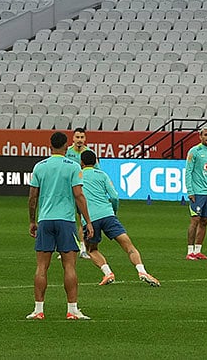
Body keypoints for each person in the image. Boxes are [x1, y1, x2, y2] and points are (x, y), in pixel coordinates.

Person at [27, 131, 95, 320]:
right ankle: (72, 310)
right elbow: (79, 195)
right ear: (66, 146)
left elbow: (33, 196)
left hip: (45, 220)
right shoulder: (72, 166)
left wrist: (32, 220)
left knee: (41, 267)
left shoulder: (40, 166)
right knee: (69, 266)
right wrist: (88, 221)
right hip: (65, 221)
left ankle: (38, 310)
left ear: (50, 146)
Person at [79, 151, 160, 287]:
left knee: (92, 249)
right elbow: (114, 196)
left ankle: (108, 272)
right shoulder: (102, 175)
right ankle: (142, 271)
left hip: (90, 219)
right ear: (96, 162)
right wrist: (113, 211)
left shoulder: (77, 177)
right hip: (108, 215)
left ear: (81, 162)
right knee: (129, 246)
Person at [185, 126, 207, 260]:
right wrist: (190, 191)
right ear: (200, 136)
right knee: (195, 220)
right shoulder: (194, 151)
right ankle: (189, 251)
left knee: (204, 221)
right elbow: (188, 172)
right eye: (205, 135)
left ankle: (198, 250)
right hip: (197, 193)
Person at [63, 127, 93, 259]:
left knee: (82, 220)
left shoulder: (89, 153)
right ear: (73, 138)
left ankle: (83, 248)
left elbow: (94, 171)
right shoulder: (67, 152)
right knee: (66, 219)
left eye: (82, 137)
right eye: (77, 137)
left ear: (85, 139)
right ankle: (65, 247)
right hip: (66, 191)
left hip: (81, 191)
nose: (79, 140)